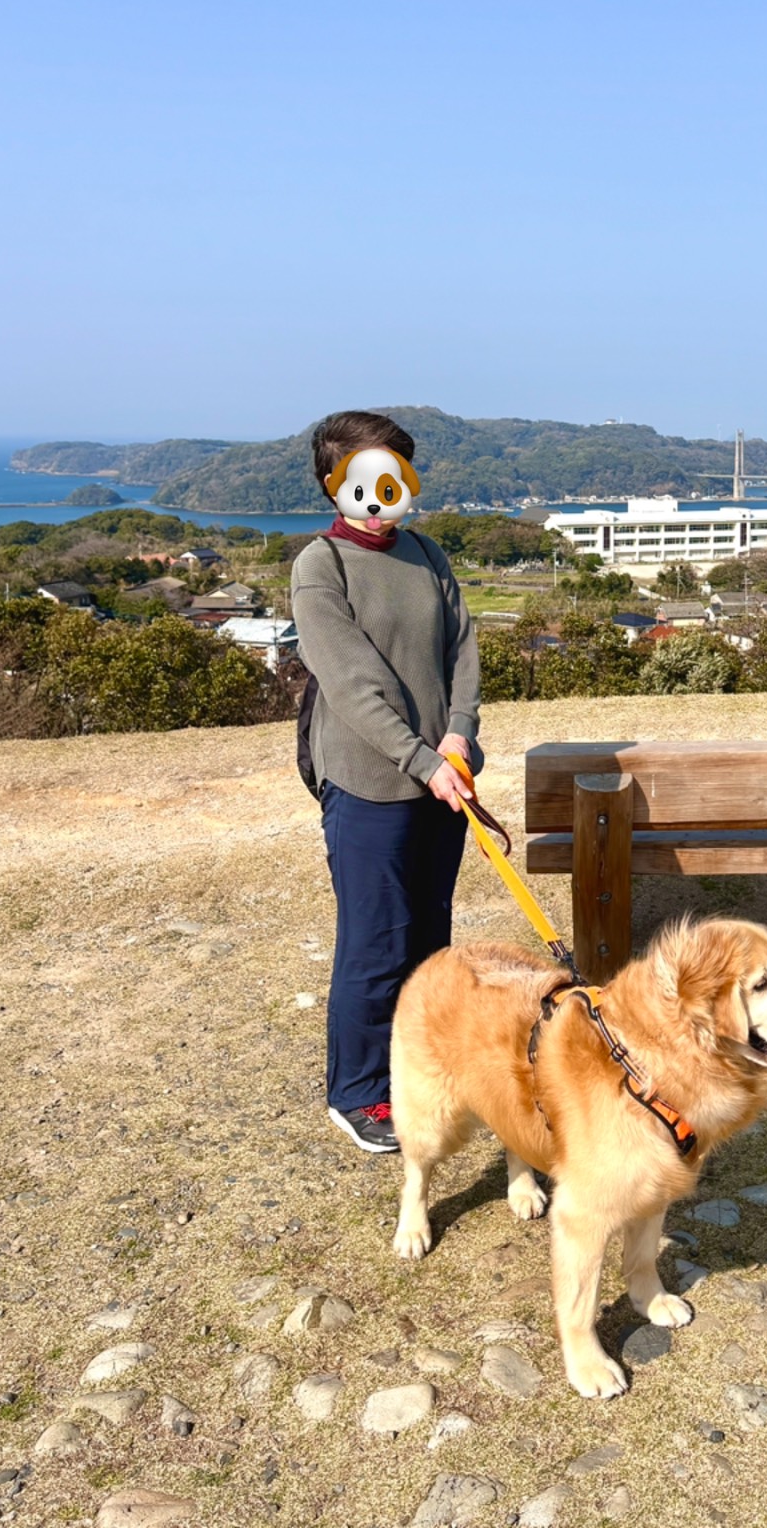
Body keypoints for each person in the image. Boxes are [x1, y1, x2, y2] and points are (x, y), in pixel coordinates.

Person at [291, 409, 480, 1153]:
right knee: (376, 943)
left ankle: (421, 1069)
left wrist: (459, 733)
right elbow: (353, 686)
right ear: (332, 483)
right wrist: (425, 761)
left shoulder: (426, 553)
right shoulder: (321, 566)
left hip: (443, 778)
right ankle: (360, 1093)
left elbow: (461, 649)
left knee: (430, 936)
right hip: (371, 783)